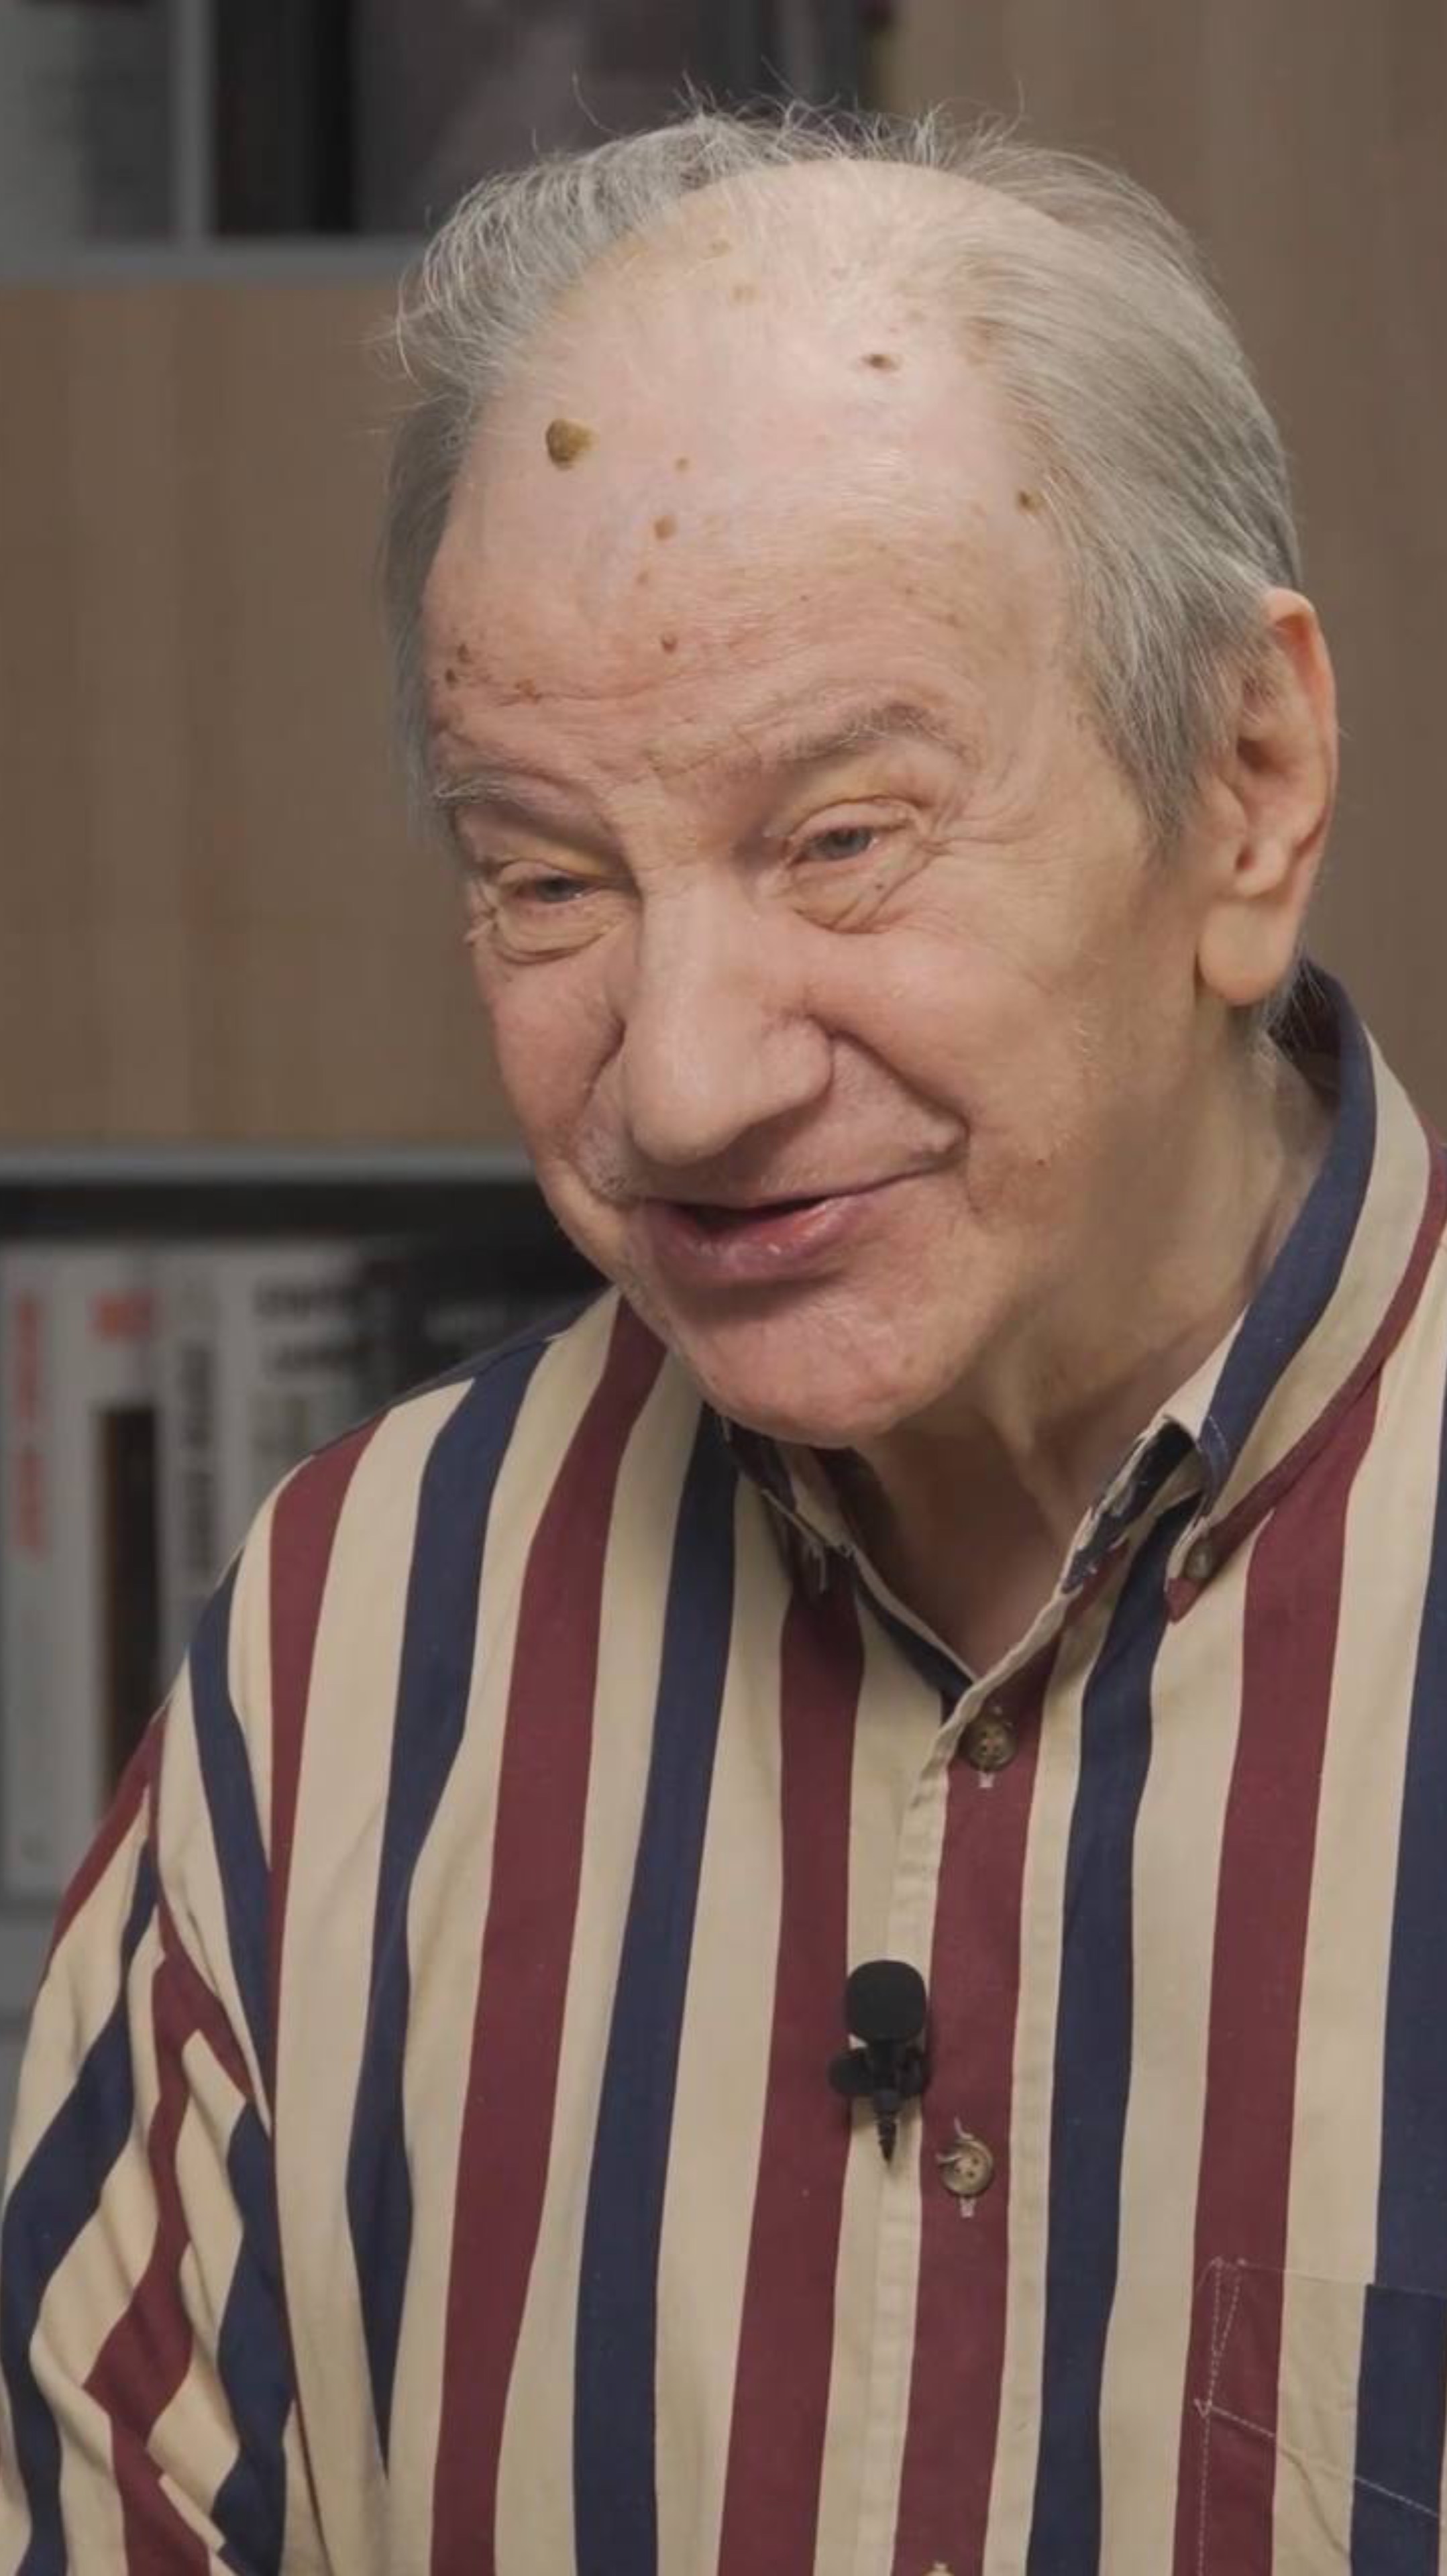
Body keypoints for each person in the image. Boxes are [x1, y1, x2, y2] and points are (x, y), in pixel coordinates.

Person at [1, 101, 1441, 2576]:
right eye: (549, 880)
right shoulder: (346, 1653)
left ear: (1246, 786)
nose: (678, 1086)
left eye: (842, 840)